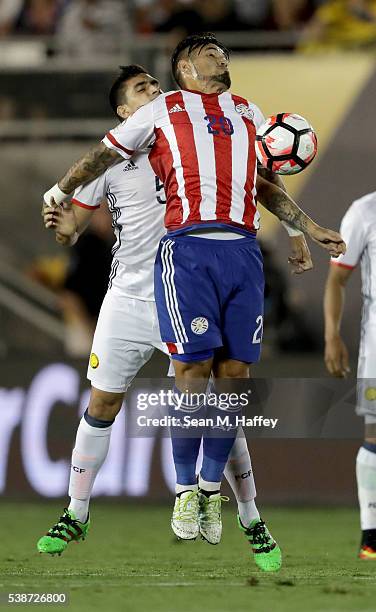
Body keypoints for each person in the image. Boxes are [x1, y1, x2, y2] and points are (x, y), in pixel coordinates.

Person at [41, 32, 345, 569]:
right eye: (141, 87)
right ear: (122, 109)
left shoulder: (205, 121)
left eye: (154, 81)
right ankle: (76, 511)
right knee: (103, 404)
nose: (152, 90)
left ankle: (246, 514)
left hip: (188, 277)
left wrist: (300, 227)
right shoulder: (124, 147)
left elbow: (256, 181)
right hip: (131, 295)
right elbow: (72, 227)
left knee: (224, 389)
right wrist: (60, 219)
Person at [324, 191, 376, 560]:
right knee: (375, 434)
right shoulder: (364, 211)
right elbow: (337, 280)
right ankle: (371, 535)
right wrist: (332, 334)